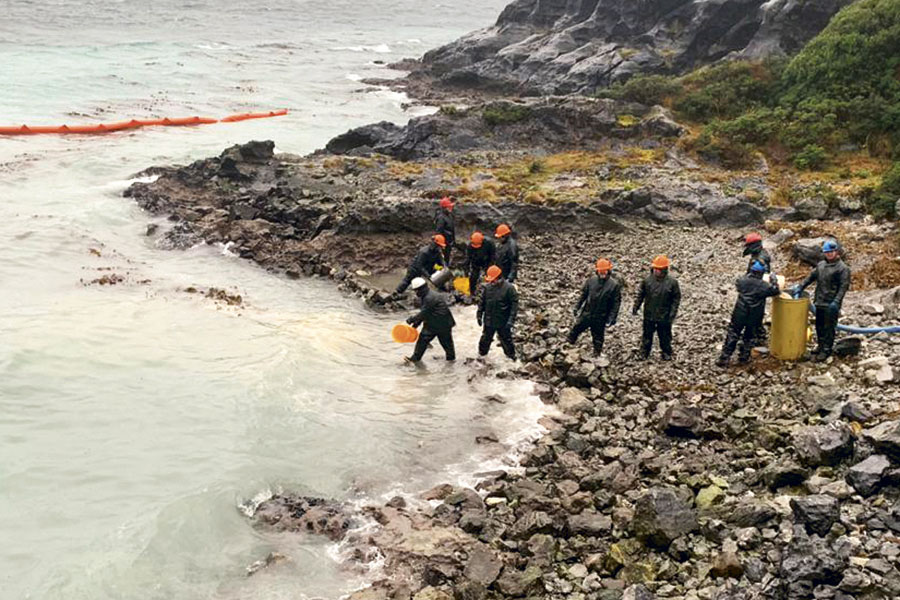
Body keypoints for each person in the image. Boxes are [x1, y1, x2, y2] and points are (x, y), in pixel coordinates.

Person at [791, 240, 851, 362]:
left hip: (831, 303)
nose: (828, 254)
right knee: (819, 326)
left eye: (831, 252)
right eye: (826, 252)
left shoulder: (843, 268)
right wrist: (801, 286)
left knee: (829, 328)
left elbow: (843, 288)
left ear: (836, 252)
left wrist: (836, 302)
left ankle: (826, 350)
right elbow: (810, 278)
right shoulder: (821, 265)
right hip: (820, 301)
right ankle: (820, 346)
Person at [716, 261, 781, 367]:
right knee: (749, 335)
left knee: (733, 332)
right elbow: (776, 291)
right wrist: (773, 280)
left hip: (740, 312)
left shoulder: (742, 281)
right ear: (761, 274)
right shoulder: (764, 286)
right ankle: (744, 357)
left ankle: (724, 358)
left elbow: (738, 284)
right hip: (754, 314)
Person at [567, 258, 622, 355]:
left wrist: (612, 318)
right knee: (575, 329)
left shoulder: (614, 285)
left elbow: (616, 304)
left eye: (604, 271)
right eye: (600, 271)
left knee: (598, 338)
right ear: (597, 271)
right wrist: (577, 307)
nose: (602, 273)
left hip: (601, 316)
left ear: (609, 271)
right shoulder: (591, 281)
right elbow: (583, 295)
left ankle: (596, 355)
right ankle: (567, 346)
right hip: (587, 312)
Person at [632, 255, 681, 361]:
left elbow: (676, 299)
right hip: (649, 314)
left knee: (665, 336)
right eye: (655, 268)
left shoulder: (672, 282)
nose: (656, 271)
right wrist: (636, 307)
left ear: (664, 269)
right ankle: (644, 353)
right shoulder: (647, 280)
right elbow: (641, 294)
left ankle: (666, 352)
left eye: (659, 269)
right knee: (646, 336)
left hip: (665, 315)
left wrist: (672, 313)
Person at [406, 277, 456, 362]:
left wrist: (412, 319)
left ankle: (415, 359)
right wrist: (415, 325)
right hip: (437, 323)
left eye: (416, 291)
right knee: (424, 340)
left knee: (445, 344)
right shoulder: (427, 295)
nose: (415, 293)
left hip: (441, 324)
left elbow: (424, 313)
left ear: (419, 290)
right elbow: (425, 313)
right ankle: (415, 359)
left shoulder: (429, 297)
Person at [477, 266, 518, 359]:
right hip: (489, 320)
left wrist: (511, 320)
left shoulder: (509, 288)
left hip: (503, 321)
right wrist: (479, 315)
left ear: (499, 277)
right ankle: (481, 358)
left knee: (507, 341)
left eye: (493, 280)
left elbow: (514, 306)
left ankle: (511, 360)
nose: (491, 282)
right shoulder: (487, 288)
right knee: (485, 341)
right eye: (490, 280)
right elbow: (482, 302)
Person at [464, 231, 496, 297]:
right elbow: (468, 259)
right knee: (473, 277)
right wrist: (466, 271)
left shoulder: (489, 243)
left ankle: (491, 292)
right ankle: (472, 292)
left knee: (490, 277)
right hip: (476, 262)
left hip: (487, 261)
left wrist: (490, 267)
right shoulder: (470, 246)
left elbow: (493, 256)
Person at [434, 197, 456, 266]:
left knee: (447, 258)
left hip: (448, 241)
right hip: (443, 243)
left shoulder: (449, 215)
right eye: (449, 207)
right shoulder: (441, 218)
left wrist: (452, 241)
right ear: (444, 208)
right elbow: (438, 232)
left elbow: (451, 229)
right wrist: (440, 245)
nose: (451, 208)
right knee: (442, 260)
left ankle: (446, 268)